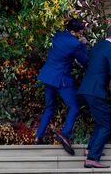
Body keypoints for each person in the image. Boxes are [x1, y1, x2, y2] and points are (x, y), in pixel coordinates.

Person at [34, 18, 88, 155]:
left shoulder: (58, 35)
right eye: (79, 30)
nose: (81, 32)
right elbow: (85, 60)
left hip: (48, 75)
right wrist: (84, 45)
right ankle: (65, 134)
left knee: (50, 107)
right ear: (72, 31)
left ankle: (38, 137)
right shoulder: (75, 44)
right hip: (61, 78)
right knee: (75, 107)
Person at [77, 25, 111, 168]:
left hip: (85, 89)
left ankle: (90, 149)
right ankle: (91, 158)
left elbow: (87, 62)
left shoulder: (97, 46)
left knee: (100, 122)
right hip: (96, 91)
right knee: (106, 125)